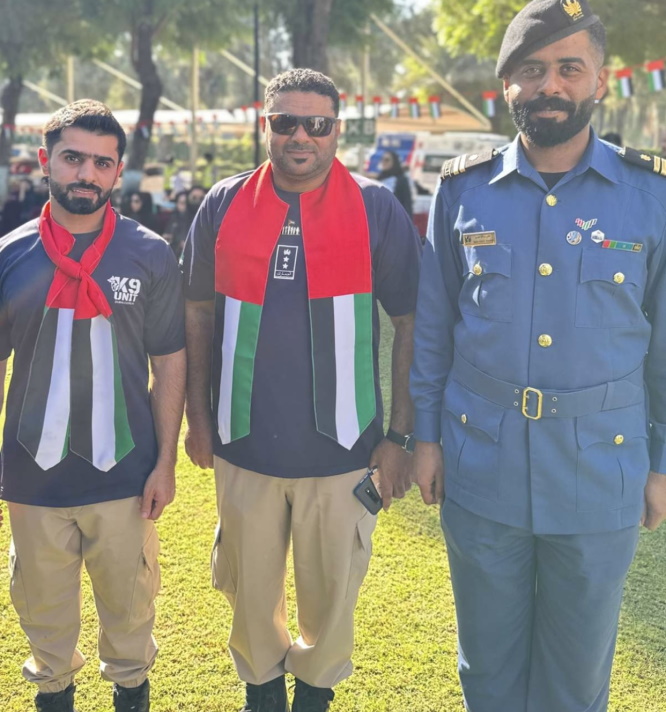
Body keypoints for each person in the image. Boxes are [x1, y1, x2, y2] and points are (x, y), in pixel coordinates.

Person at [410, 1, 666, 711]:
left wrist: (662, 463)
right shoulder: (462, 191)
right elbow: (434, 327)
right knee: (487, 671)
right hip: (481, 465)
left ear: (600, 81)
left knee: (575, 682)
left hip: (601, 471)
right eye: (531, 69)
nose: (550, 84)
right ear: (508, 85)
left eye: (568, 68)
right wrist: (425, 439)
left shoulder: (652, 195)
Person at [183, 68, 421, 712]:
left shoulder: (375, 206)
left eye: (316, 124)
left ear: (336, 130)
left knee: (332, 600)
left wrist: (400, 437)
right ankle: (260, 697)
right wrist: (197, 417)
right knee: (248, 597)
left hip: (344, 451)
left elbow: (411, 321)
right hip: (243, 444)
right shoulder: (224, 202)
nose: (300, 136)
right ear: (266, 124)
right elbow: (197, 310)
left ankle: (315, 699)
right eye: (285, 121)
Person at [0, 99, 186, 712]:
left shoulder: (150, 253)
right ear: (45, 161)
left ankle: (131, 694)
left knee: (130, 616)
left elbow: (169, 362)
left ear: (119, 171)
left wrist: (165, 464)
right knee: (43, 621)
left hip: (124, 475)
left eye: (102, 163)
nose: (87, 173)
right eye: (73, 158)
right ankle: (54, 696)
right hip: (32, 475)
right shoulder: (10, 255)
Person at [377, 150, 413, 217]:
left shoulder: (401, 180)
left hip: (396, 218)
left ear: (394, 162)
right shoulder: (379, 179)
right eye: (382, 159)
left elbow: (406, 202)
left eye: (387, 160)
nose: (383, 162)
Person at [162, 190, 191, 259]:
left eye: (185, 202)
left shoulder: (192, 217)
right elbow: (168, 232)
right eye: (181, 202)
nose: (183, 205)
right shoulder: (173, 217)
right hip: (174, 253)